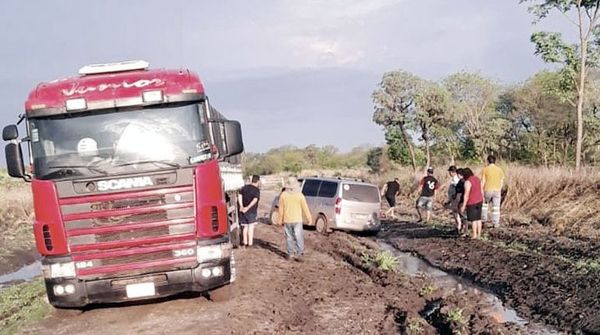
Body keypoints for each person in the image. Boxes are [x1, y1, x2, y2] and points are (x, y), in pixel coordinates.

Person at [277, 177, 312, 261]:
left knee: (289, 237)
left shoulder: (283, 195)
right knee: (298, 237)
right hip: (297, 220)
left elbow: (280, 209)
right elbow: (305, 208)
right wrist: (309, 218)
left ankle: (290, 254)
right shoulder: (300, 195)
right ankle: (300, 254)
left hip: (287, 220)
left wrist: (279, 220)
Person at [481, 155, 505, 228]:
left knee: (484, 205)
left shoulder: (485, 169)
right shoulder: (499, 170)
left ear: (488, 161)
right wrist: (499, 189)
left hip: (487, 189)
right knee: (496, 208)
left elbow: (483, 181)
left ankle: (483, 220)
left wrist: (481, 190)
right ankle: (495, 223)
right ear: (495, 161)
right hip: (497, 190)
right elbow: (502, 180)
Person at [459, 168, 484, 239]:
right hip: (479, 200)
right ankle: (479, 234)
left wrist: (463, 205)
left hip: (472, 202)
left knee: (473, 220)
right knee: (478, 219)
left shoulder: (467, 182)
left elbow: (466, 195)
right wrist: (483, 198)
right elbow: (481, 190)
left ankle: (474, 235)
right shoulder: (478, 179)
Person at [238, 175, 261, 248]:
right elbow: (255, 200)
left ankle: (245, 242)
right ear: (258, 181)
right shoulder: (256, 190)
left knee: (245, 227)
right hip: (251, 211)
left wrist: (241, 206)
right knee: (251, 227)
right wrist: (247, 207)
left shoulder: (244, 188)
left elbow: (239, 196)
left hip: (243, 210)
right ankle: (250, 244)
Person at [452, 168, 466, 235]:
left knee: (461, 214)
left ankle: (462, 228)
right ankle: (461, 228)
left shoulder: (462, 182)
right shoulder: (463, 181)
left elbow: (459, 191)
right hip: (461, 199)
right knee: (461, 214)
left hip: (460, 199)